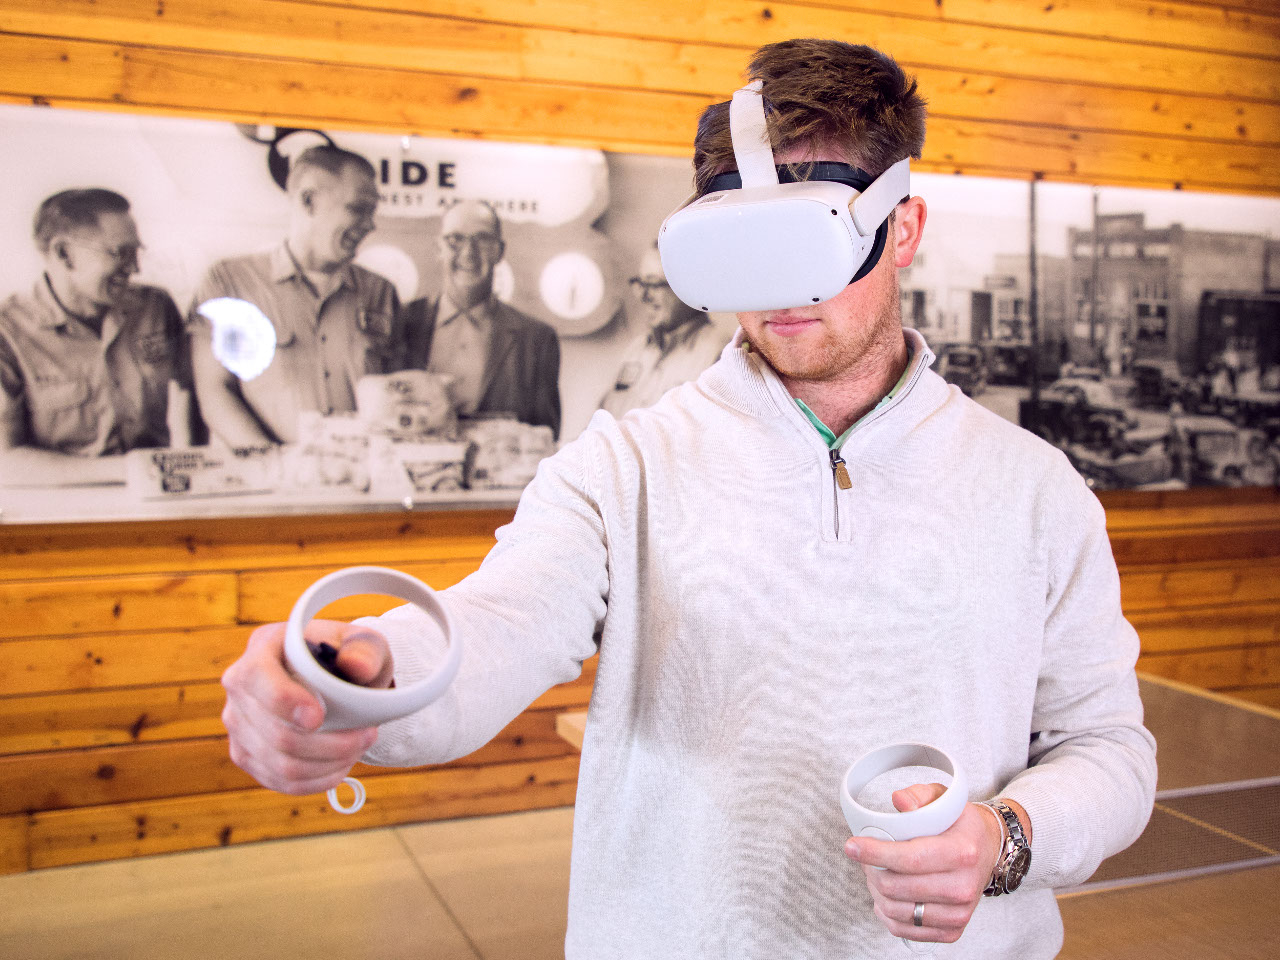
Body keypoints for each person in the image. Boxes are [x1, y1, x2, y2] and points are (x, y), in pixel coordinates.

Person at [221, 40, 1156, 959]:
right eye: (744, 245)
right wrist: (367, 678)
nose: (779, 289)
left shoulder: (1037, 491)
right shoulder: (622, 469)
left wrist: (1003, 840)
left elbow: (1108, 748)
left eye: (808, 238)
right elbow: (500, 621)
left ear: (901, 228)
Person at [188, 145, 402, 446]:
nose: (370, 225)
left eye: (372, 212)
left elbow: (398, 398)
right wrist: (273, 463)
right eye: (358, 209)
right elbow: (215, 393)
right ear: (308, 201)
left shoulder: (381, 293)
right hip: (266, 472)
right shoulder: (229, 283)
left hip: (363, 472)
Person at [0, 188, 191, 486]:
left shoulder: (155, 307)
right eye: (120, 253)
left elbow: (194, 390)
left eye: (136, 252)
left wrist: (192, 463)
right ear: (64, 254)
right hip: (61, 506)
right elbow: (6, 461)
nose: (135, 268)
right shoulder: (8, 332)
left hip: (154, 494)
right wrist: (129, 470)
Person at [402, 199, 561, 438]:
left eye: (483, 239)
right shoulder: (401, 323)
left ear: (499, 251)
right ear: (438, 248)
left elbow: (545, 439)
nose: (469, 253)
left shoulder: (537, 340)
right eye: (455, 239)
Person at [599, 244, 730, 418]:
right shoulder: (636, 350)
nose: (644, 296)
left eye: (653, 284)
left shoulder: (721, 353)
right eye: (640, 284)